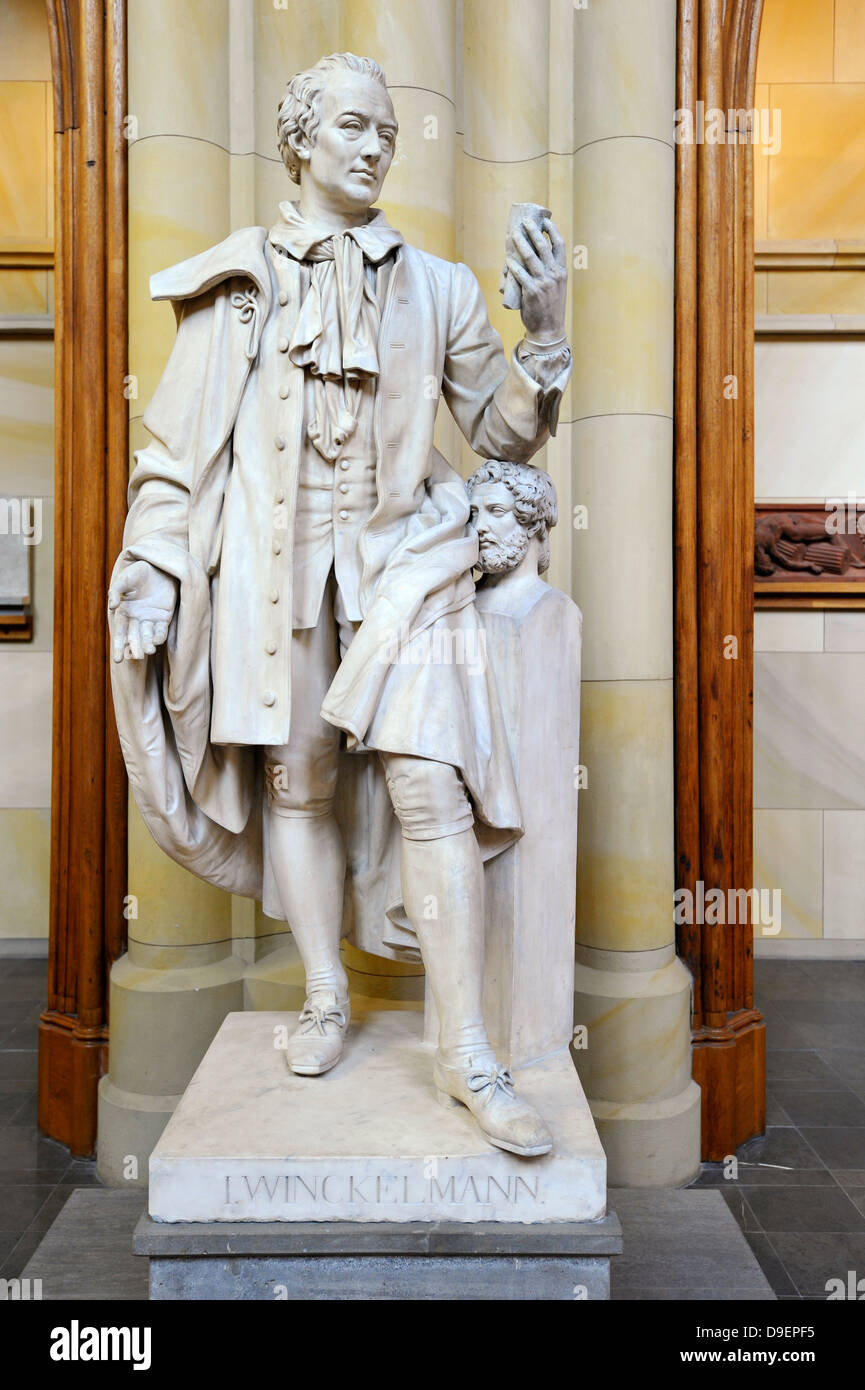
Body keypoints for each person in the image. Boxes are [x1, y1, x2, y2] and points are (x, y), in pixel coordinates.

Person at [108, 52, 571, 1158]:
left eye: (388, 134)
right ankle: (325, 994)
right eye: (355, 127)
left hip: (406, 566)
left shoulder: (442, 286)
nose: (375, 148)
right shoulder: (232, 290)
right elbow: (174, 454)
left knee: (429, 786)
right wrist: (151, 568)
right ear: (302, 137)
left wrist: (545, 337)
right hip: (272, 572)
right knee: (296, 783)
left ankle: (469, 1058)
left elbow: (500, 435)